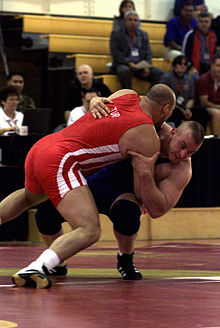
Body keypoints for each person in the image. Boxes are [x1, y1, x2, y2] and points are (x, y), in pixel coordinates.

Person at [0, 84, 176, 289]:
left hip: (42, 146)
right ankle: (37, 267)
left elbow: (103, 110)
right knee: (89, 229)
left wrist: (94, 101)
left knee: (30, 198)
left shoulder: (126, 95)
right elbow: (141, 191)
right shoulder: (147, 136)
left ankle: (41, 265)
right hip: (61, 159)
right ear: (165, 108)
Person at [33, 120, 204, 281]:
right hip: (100, 178)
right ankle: (58, 264)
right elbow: (132, 102)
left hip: (126, 193)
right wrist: (97, 101)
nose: (183, 155)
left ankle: (125, 259)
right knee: (45, 213)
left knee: (127, 212)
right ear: (173, 133)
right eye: (182, 146)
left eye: (190, 152)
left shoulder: (181, 170)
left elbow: (158, 210)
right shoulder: (151, 128)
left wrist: (145, 173)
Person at [110, 10, 164, 90]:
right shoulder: (116, 33)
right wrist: (128, 63)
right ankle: (128, 96)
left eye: (135, 20)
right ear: (124, 21)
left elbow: (148, 52)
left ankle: (149, 98)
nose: (133, 22)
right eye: (130, 20)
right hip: (124, 64)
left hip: (140, 66)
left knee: (159, 73)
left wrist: (146, 66)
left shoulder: (143, 34)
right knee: (124, 71)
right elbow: (115, 53)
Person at [160, 55, 210, 130]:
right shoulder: (166, 77)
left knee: (202, 112)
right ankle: (173, 136)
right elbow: (164, 98)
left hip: (185, 108)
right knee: (175, 112)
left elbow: (191, 98)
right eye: (180, 63)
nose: (182, 66)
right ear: (174, 65)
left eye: (185, 64)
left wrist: (187, 109)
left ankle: (199, 137)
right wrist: (182, 110)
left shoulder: (189, 79)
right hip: (172, 107)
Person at [182, 12, 217, 76]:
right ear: (197, 23)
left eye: (206, 22)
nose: (204, 24)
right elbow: (184, 54)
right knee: (195, 78)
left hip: (210, 67)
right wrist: (191, 67)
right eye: (201, 21)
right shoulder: (191, 35)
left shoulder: (213, 36)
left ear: (210, 23)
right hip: (195, 67)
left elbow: (216, 53)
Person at [195, 54, 220, 135]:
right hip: (203, 109)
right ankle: (216, 142)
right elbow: (204, 102)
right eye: (218, 66)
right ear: (212, 65)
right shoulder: (203, 80)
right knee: (216, 113)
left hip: (217, 107)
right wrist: (218, 107)